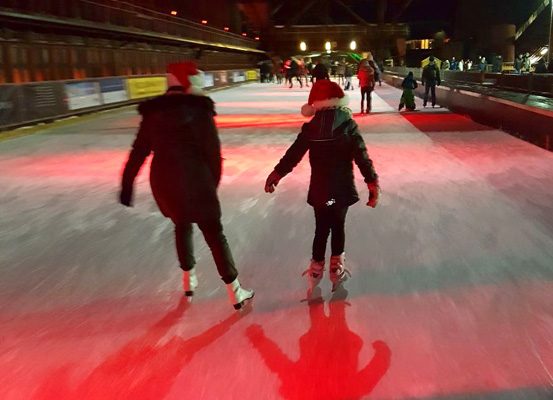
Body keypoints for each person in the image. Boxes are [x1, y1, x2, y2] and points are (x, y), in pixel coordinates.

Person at [119, 62, 254, 310]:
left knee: (181, 225)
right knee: (214, 234)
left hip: (165, 182)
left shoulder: (153, 112)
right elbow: (213, 152)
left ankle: (188, 281)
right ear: (190, 83)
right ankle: (235, 291)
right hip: (197, 180)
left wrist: (127, 185)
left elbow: (138, 151)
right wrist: (211, 183)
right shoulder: (199, 110)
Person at [264, 80, 380, 292]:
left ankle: (317, 269)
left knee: (321, 227)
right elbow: (362, 157)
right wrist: (372, 183)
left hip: (321, 192)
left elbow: (294, 154)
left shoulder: (311, 128)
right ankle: (336, 269)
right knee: (337, 225)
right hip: (340, 192)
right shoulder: (348, 125)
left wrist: (277, 173)